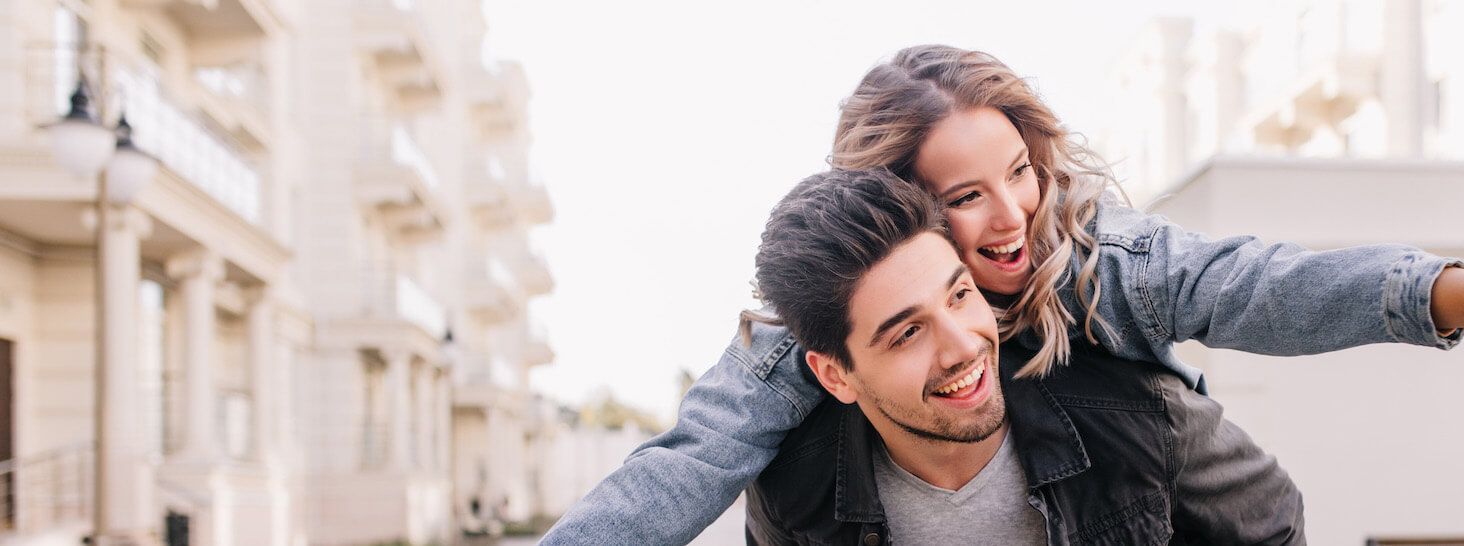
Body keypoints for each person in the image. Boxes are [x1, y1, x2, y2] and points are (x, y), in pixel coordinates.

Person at [539, 45, 1463, 545]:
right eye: (965, 197)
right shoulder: (805, 347)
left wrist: (1440, 291)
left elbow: (1254, 285)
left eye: (1019, 171)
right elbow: (682, 466)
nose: (1014, 216)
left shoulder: (1093, 259)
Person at [743, 168, 1301, 545]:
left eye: (960, 296)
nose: (964, 345)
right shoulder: (792, 490)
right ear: (836, 374)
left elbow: (1274, 521)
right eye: (908, 333)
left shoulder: (1138, 415)